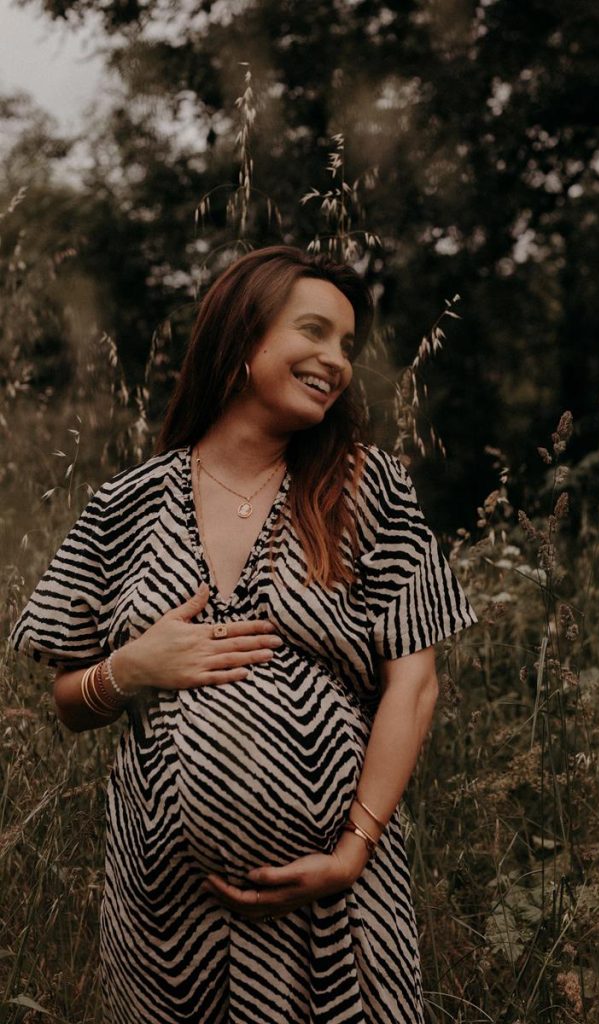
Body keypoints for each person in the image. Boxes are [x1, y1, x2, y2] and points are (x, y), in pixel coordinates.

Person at [9, 244, 478, 1024]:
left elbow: (414, 681)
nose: (336, 361)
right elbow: (68, 700)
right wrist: (129, 668)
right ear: (242, 339)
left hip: (334, 897)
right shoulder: (123, 507)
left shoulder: (367, 488)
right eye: (315, 332)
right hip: (166, 912)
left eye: (347, 347)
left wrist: (351, 851)